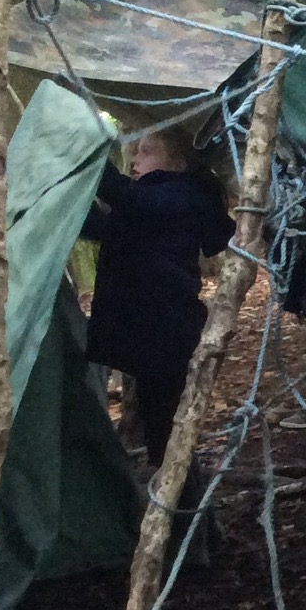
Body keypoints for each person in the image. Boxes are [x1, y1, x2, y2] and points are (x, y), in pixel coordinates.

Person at [84, 126, 236, 470]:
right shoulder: (151, 205)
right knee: (158, 429)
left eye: (147, 152)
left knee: (168, 434)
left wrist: (89, 158)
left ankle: (180, 495)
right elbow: (106, 228)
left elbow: (130, 199)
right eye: (136, 151)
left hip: (169, 334)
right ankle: (168, 488)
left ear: (178, 164)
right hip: (147, 336)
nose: (135, 160)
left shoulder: (183, 196)